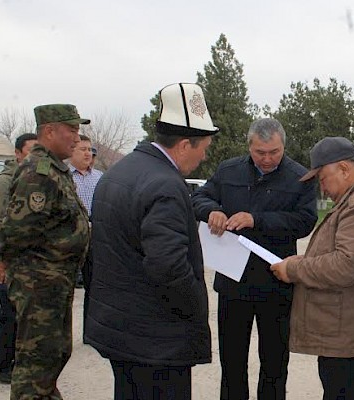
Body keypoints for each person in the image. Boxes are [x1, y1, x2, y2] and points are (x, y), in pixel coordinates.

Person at [84, 83, 215, 399]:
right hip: (156, 340)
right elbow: (168, 266)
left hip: (121, 330)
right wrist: (196, 308)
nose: (204, 155)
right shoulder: (165, 186)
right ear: (185, 145)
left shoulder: (120, 171)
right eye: (204, 147)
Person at [191, 118, 317, 400]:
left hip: (277, 282)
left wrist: (256, 220)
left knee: (274, 363)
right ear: (249, 146)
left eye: (274, 152)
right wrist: (212, 210)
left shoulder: (300, 177)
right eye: (261, 152)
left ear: (284, 146)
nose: (268, 158)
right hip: (233, 282)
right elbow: (199, 197)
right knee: (232, 362)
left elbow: (305, 221)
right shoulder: (228, 170)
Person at [269, 137, 354, 400]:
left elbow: (344, 266)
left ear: (344, 169)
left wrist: (293, 268)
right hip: (342, 331)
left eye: (323, 179)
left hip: (348, 334)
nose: (322, 189)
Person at [0, 104, 91, 399]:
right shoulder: (38, 172)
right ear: (49, 131)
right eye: (71, 130)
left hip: (55, 282)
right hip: (38, 283)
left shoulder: (55, 169)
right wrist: (6, 260)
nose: (77, 138)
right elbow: (16, 230)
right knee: (35, 361)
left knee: (55, 353)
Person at [0, 133, 37, 384]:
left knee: (22, 315)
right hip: (5, 259)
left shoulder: (31, 179)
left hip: (25, 260)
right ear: (17, 153)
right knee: (9, 314)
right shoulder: (4, 182)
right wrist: (0, 259)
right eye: (31, 149)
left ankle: (14, 361)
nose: (36, 155)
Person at [68, 134, 103, 290]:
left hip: (95, 240)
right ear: (72, 151)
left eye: (89, 149)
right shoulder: (64, 177)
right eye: (83, 149)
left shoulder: (100, 177)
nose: (88, 153)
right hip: (71, 239)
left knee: (94, 287)